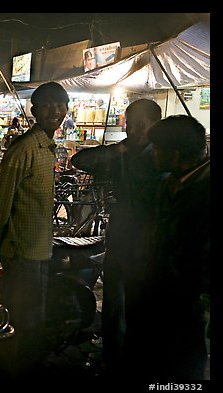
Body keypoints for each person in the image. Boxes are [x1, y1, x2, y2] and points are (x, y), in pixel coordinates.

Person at [70, 98, 162, 377]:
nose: (133, 132)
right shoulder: (121, 153)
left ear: (156, 126)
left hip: (150, 239)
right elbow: (80, 160)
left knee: (140, 302)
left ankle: (136, 359)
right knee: (114, 298)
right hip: (121, 232)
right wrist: (118, 151)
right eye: (130, 126)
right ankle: (113, 356)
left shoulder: (162, 156)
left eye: (142, 126)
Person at [0, 81, 69, 379]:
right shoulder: (24, 150)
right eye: (47, 104)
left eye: (60, 105)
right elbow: (0, 205)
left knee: (35, 319)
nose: (55, 110)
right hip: (22, 252)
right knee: (23, 321)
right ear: (34, 110)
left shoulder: (48, 149)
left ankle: (29, 367)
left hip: (41, 249)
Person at [121, 115, 209, 380]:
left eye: (157, 149)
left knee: (181, 365)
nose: (153, 155)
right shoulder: (168, 182)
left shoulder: (204, 193)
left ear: (176, 154)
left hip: (186, 303)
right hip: (155, 292)